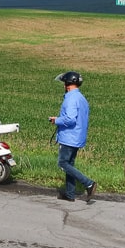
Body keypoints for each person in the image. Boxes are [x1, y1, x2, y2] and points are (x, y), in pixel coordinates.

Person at [49, 71, 97, 202]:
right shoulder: (81, 98)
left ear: (67, 84)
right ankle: (70, 194)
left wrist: (56, 120)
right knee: (70, 164)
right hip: (77, 137)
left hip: (69, 137)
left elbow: (70, 119)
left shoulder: (70, 98)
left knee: (63, 163)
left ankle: (88, 183)